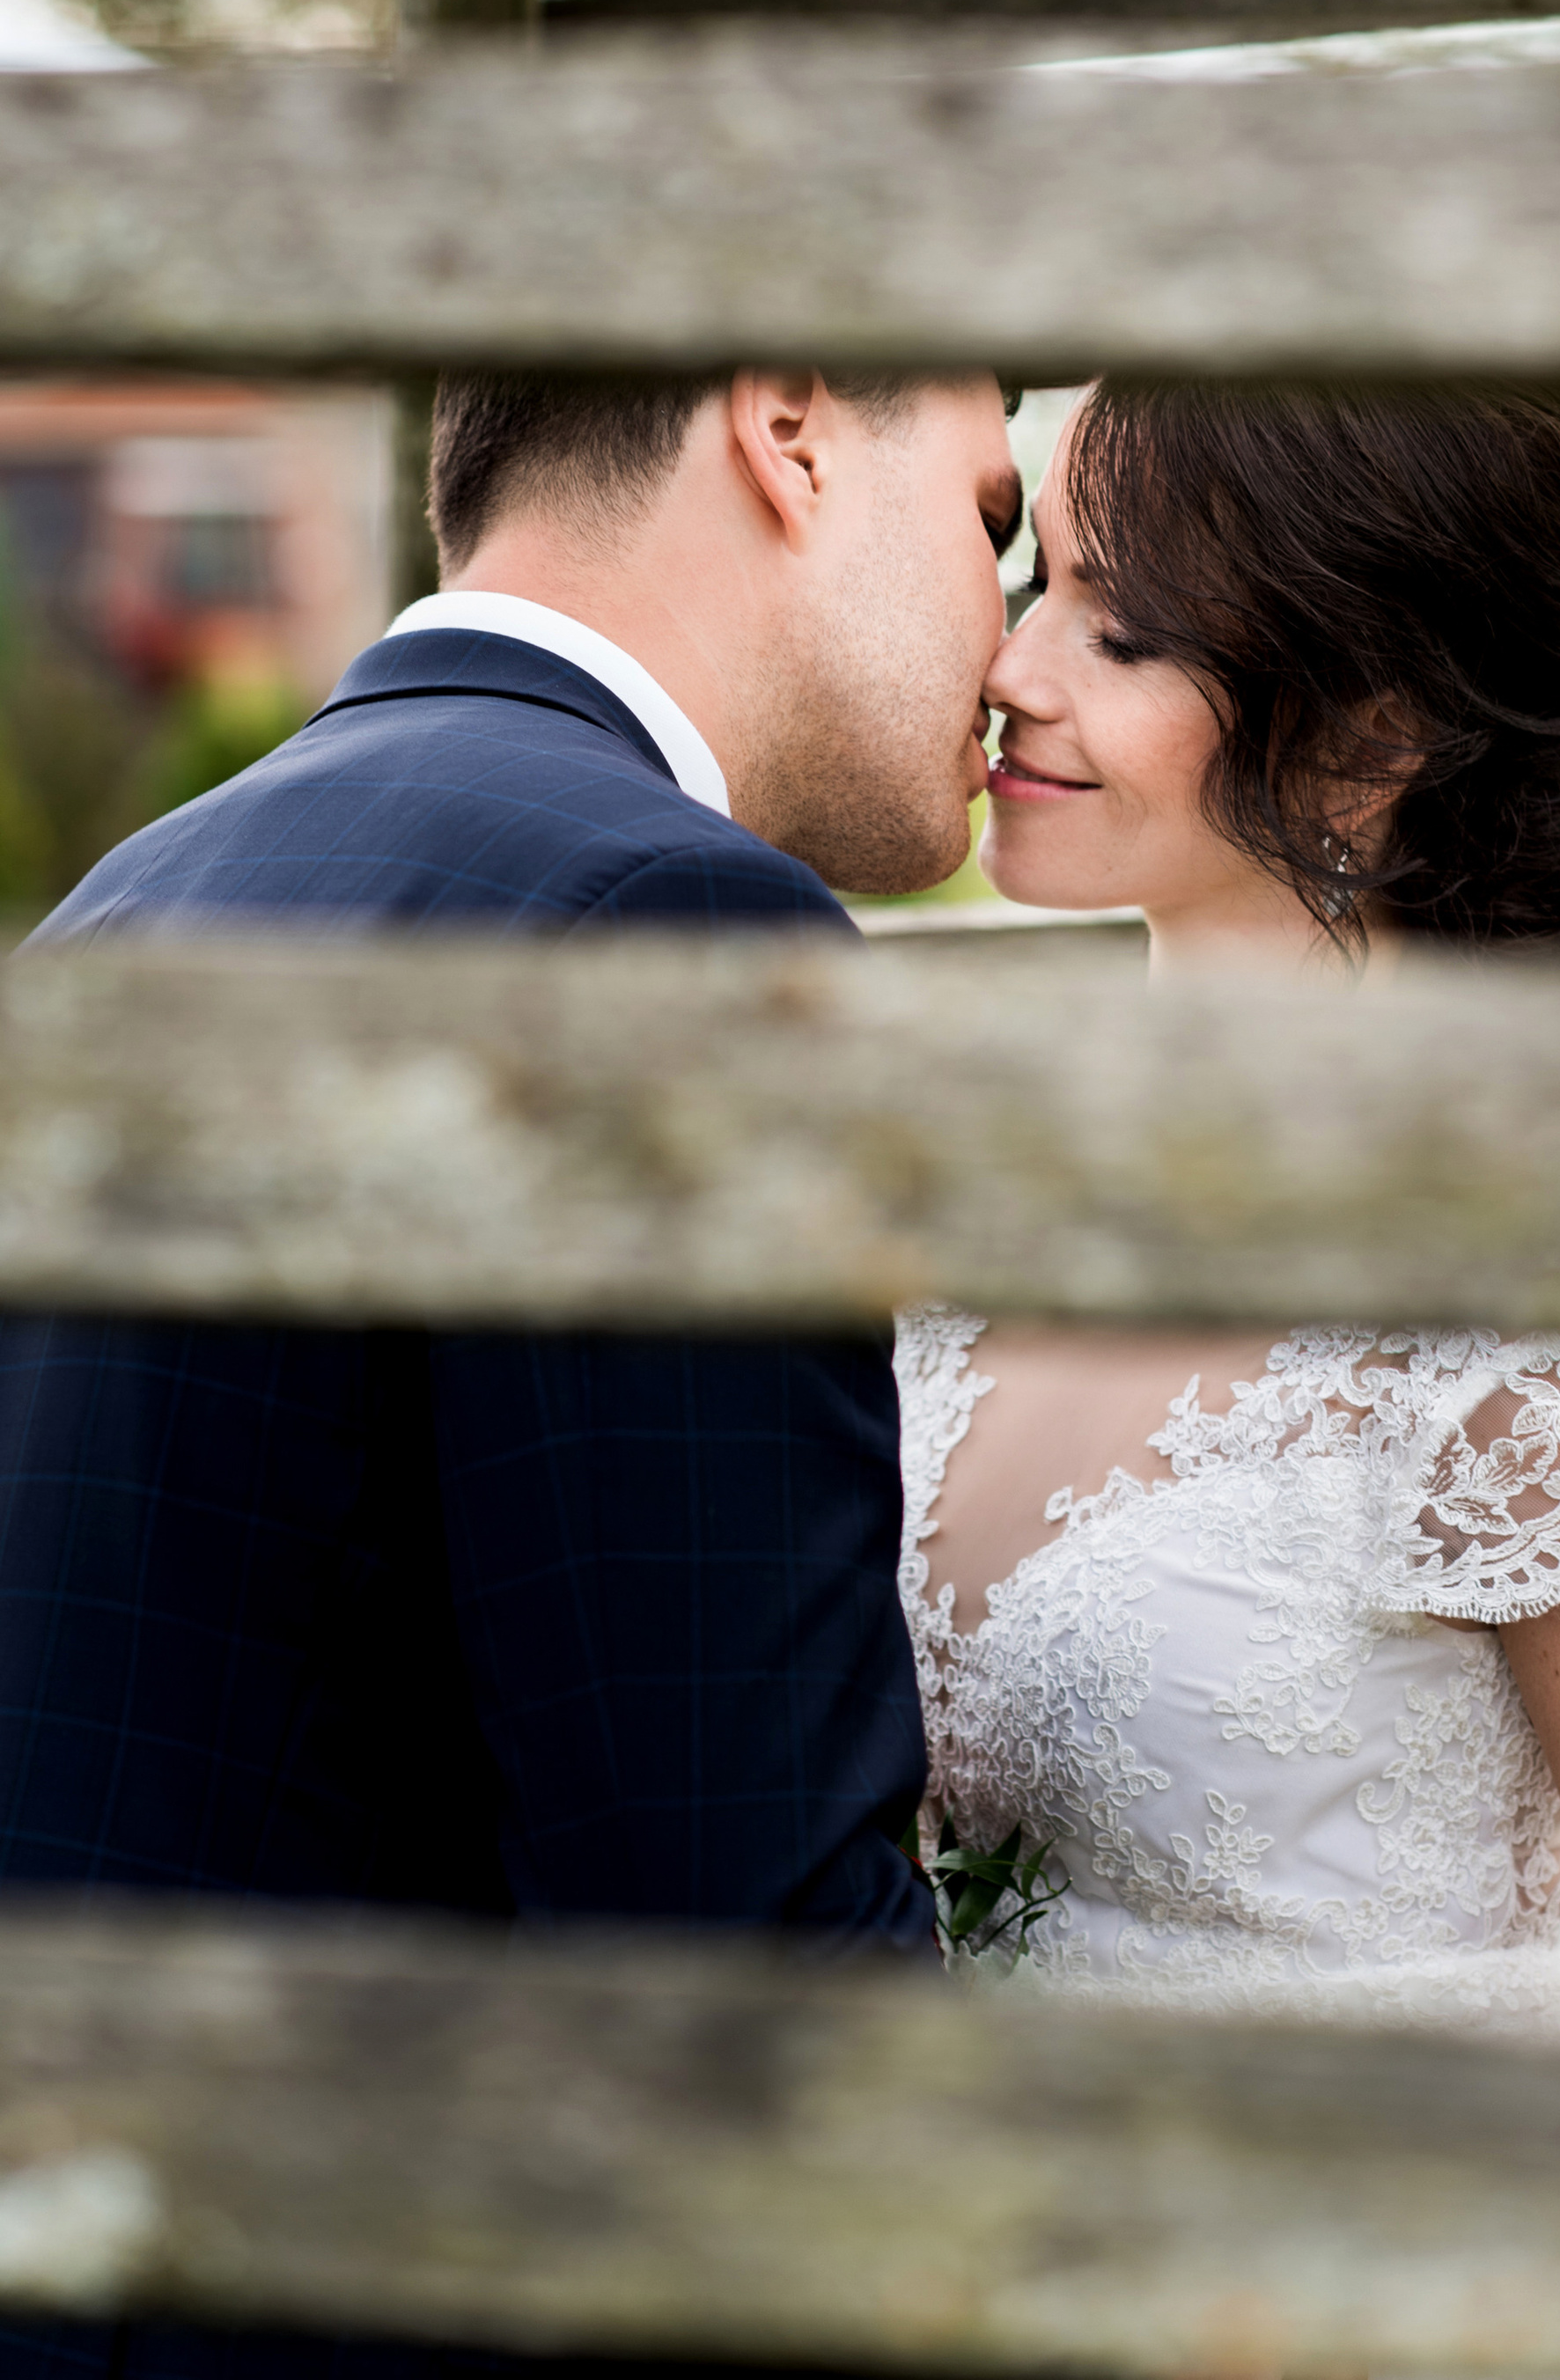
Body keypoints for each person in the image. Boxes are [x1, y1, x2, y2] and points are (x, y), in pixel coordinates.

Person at [0, 365, 1022, 2380]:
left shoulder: (133, 906)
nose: (1007, 636)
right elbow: (736, 1977)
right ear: (793, 424)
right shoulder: (661, 932)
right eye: (988, 521)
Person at [896, 378, 1560, 2060]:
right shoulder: (975, 1212)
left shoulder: (1519, 1323)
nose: (1012, 670)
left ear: (1377, 728)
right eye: (1040, 585)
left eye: (1122, 631)